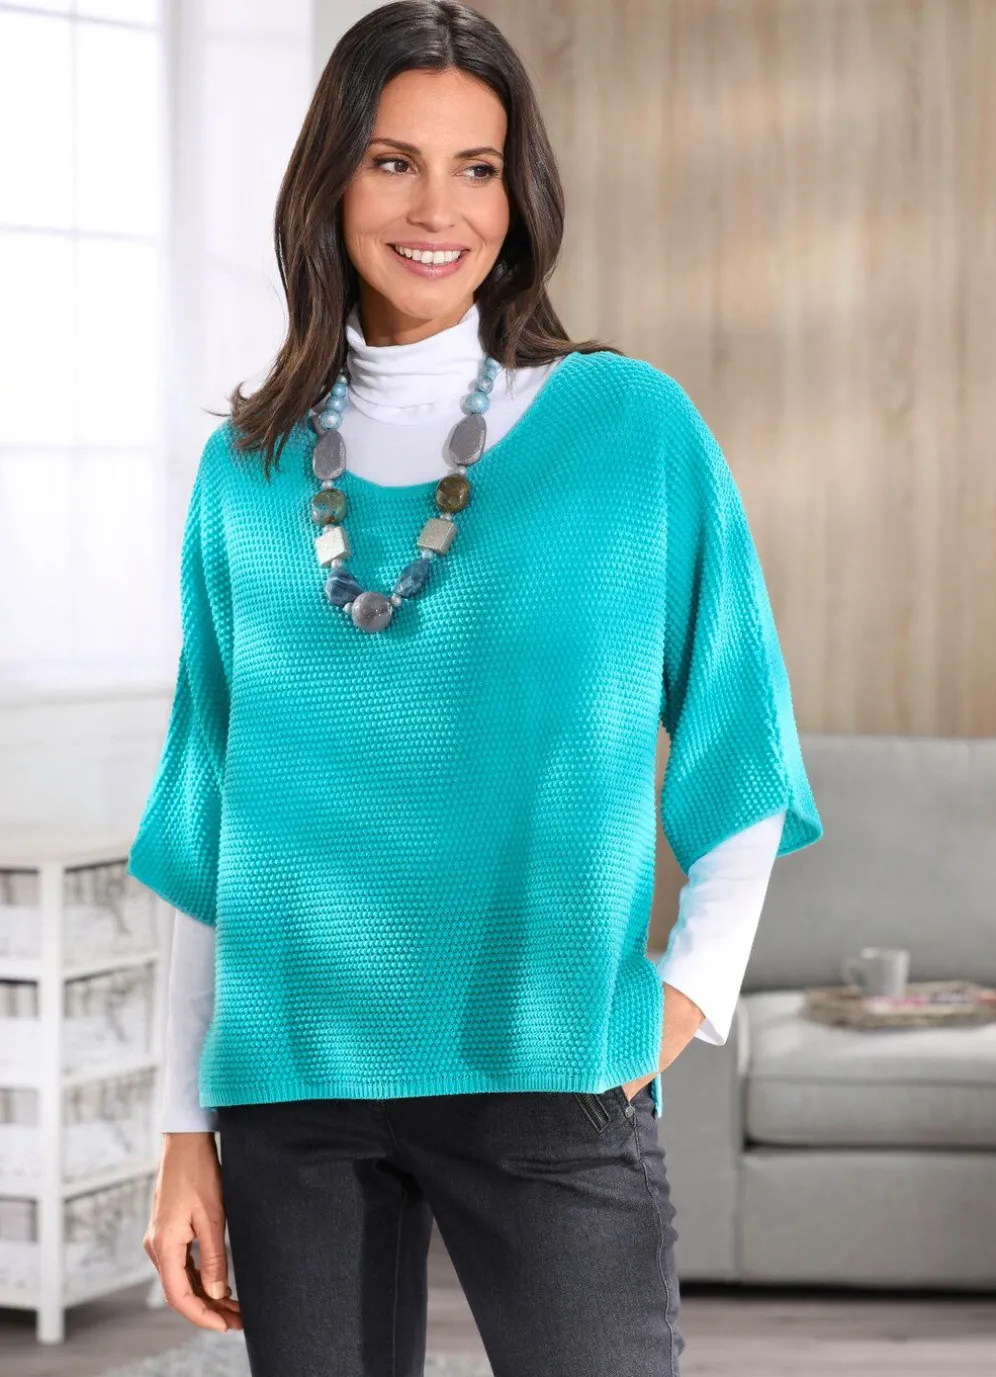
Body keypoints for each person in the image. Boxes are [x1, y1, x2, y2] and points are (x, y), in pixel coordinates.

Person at [129, 4, 823, 1374]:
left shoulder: (631, 429)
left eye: (478, 167)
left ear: (520, 195)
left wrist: (689, 996)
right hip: (292, 1092)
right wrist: (179, 1131)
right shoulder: (245, 473)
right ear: (331, 182)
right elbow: (207, 807)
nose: (436, 209)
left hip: (552, 1066)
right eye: (393, 161)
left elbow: (739, 729)